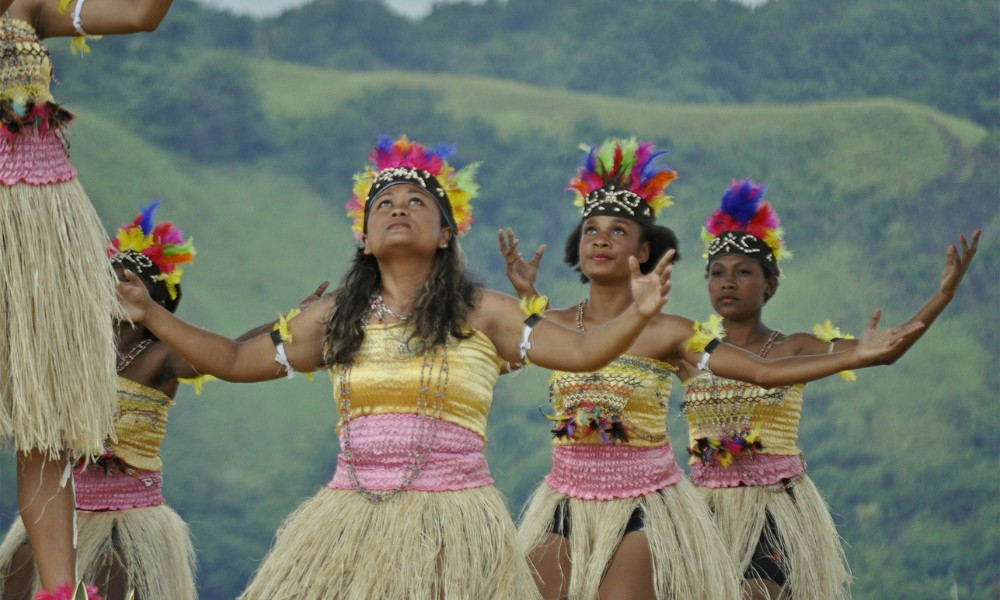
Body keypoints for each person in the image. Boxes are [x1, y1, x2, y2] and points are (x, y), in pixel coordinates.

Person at [114, 135, 676, 599]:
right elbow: (236, 361)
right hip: (348, 521)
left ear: (446, 234)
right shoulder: (332, 316)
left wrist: (639, 314)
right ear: (364, 240)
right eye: (384, 204)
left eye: (416, 202)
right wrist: (152, 316)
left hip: (454, 528)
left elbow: (582, 353)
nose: (399, 208)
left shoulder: (485, 312)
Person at [499, 139, 927, 600]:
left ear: (643, 252)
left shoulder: (673, 332)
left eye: (618, 230)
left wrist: (856, 354)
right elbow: (491, 362)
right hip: (565, 497)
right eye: (591, 230)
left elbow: (759, 372)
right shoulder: (553, 324)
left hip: (644, 506)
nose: (600, 239)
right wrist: (525, 306)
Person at [675, 179, 980, 600]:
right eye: (717, 273)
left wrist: (942, 296)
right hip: (702, 510)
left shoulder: (792, 347)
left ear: (769, 284)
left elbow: (882, 352)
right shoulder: (687, 349)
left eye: (743, 272)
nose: (727, 282)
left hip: (771, 509)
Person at [0, 1, 173, 597]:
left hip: (45, 228)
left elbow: (139, 14)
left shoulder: (31, 6)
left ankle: (59, 593)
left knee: (43, 426)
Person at [0, 201, 200, 599]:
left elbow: (229, 355)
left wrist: (283, 331)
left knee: (113, 581)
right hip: (61, 516)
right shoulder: (75, 356)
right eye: (108, 278)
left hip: (131, 525)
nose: (114, 288)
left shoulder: (162, 356)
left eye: (127, 282)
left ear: (153, 299)